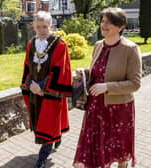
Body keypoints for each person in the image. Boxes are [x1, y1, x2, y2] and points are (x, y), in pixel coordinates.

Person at [73, 7, 142, 168]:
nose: (104, 25)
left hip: (119, 109)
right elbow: (99, 72)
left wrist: (107, 87)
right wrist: (84, 72)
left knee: (120, 151)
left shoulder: (130, 49)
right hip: (96, 107)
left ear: (120, 26)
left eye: (109, 22)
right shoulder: (98, 45)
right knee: (96, 151)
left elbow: (135, 83)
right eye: (103, 21)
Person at [20, 11, 72, 168]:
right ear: (33, 27)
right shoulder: (31, 44)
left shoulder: (59, 44)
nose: (41, 30)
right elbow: (27, 66)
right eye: (38, 27)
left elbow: (59, 69)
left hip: (50, 92)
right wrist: (31, 85)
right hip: (35, 91)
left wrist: (42, 87)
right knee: (41, 123)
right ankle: (57, 137)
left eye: (44, 26)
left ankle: (42, 158)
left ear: (51, 26)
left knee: (49, 123)